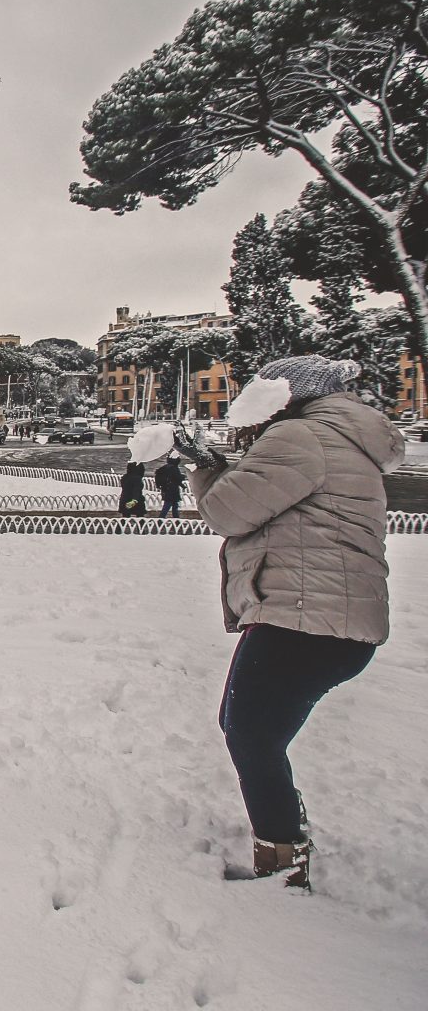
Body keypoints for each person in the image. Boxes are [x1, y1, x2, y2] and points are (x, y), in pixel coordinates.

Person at [175, 356, 404, 890]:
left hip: (306, 614)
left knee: (251, 734)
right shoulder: (338, 437)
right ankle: (286, 833)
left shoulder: (300, 438)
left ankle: (283, 859)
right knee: (250, 729)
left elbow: (229, 513)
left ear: (287, 395)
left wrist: (206, 465)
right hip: (328, 614)